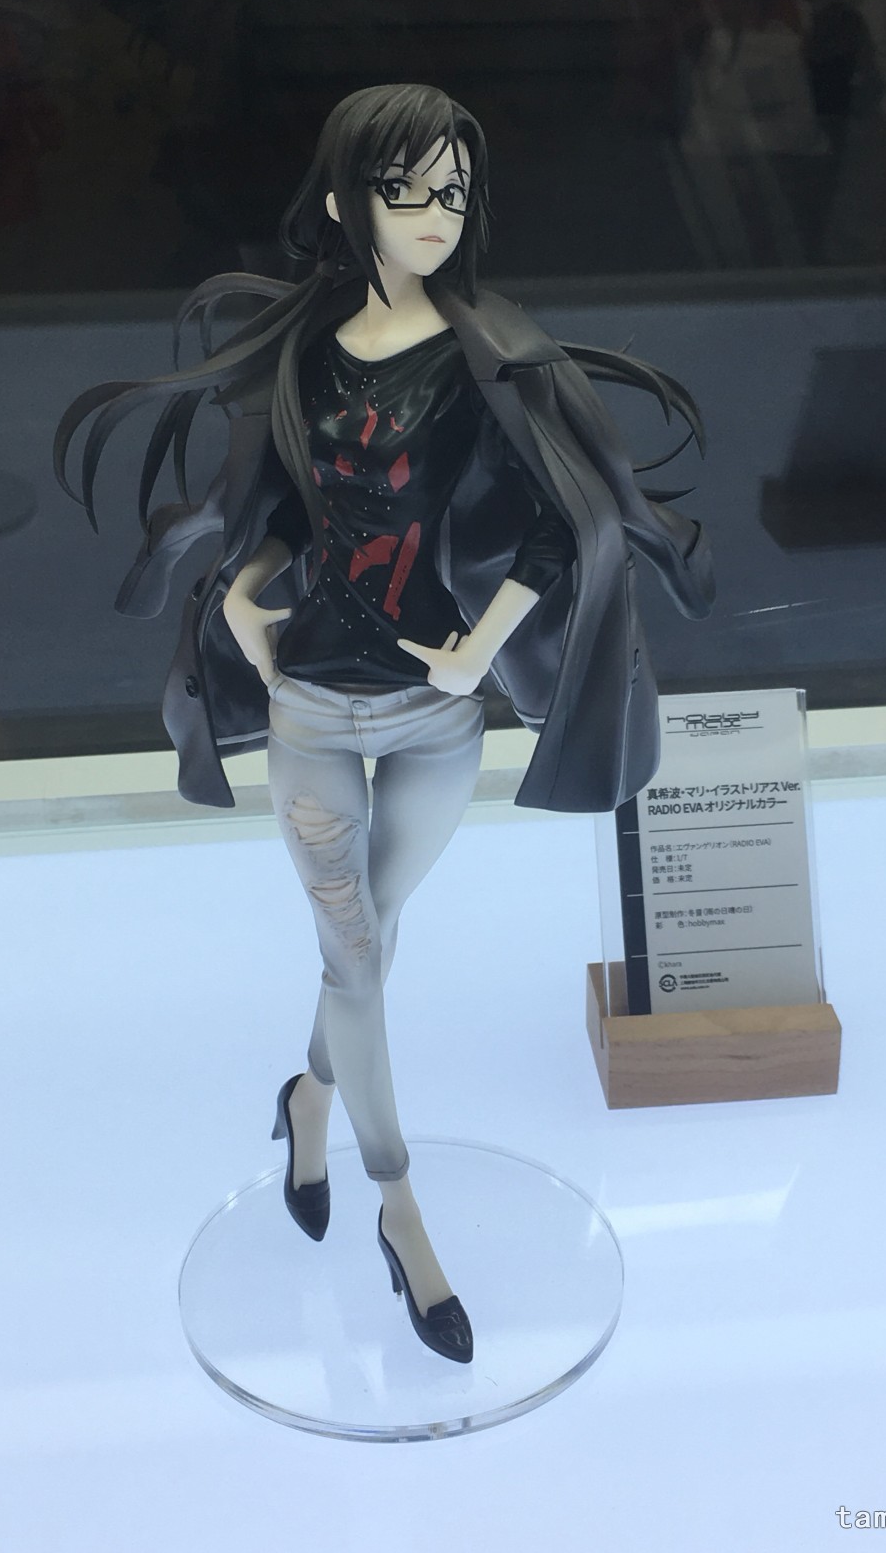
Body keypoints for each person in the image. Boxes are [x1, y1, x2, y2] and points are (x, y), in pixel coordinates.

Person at [56, 83, 715, 1364]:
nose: (434, 214)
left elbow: (558, 519)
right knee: (356, 960)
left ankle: (307, 1099)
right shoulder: (300, 354)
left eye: (453, 192)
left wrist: (480, 646)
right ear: (343, 197)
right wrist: (241, 595)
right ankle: (400, 1210)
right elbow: (278, 511)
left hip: (434, 722)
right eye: (406, 188)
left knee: (364, 943)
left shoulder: (487, 356)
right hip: (311, 704)